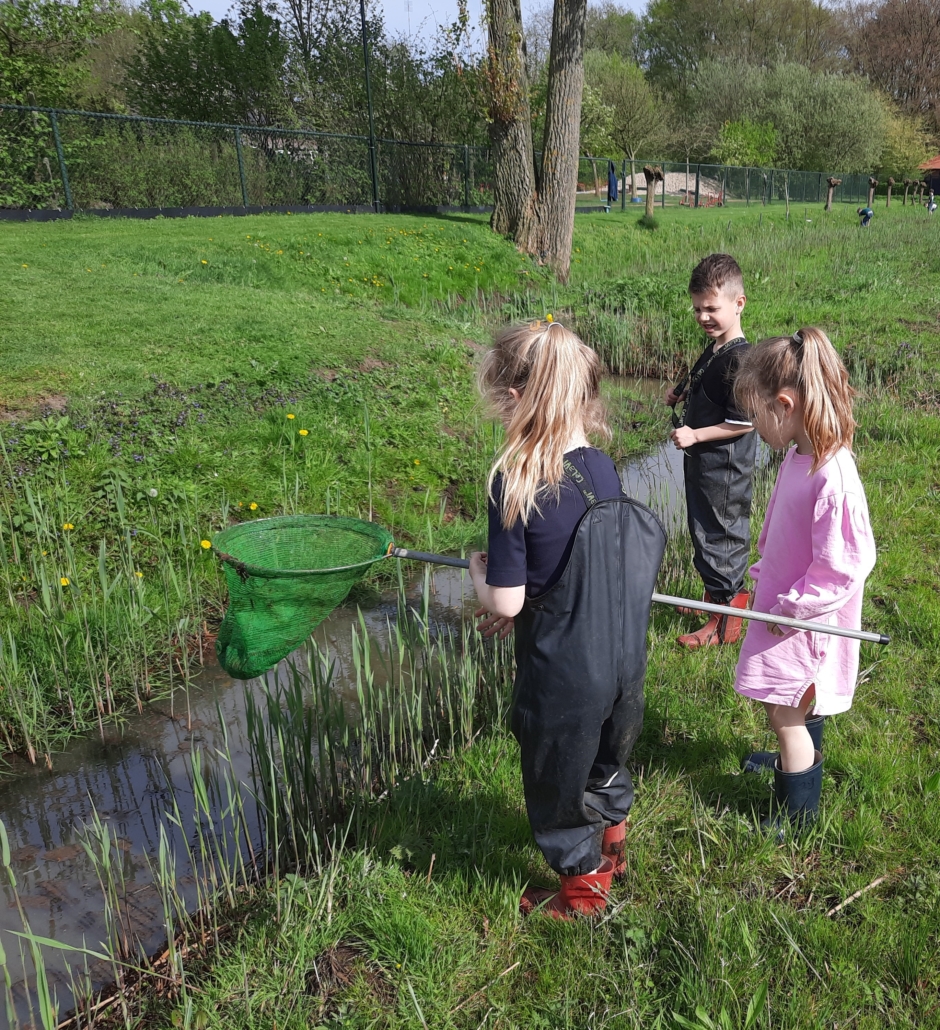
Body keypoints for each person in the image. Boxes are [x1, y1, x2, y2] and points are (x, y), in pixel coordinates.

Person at [469, 321, 665, 919]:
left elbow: (505, 602)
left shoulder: (515, 480)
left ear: (511, 399)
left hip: (564, 673)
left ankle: (582, 896)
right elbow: (583, 560)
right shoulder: (602, 466)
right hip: (623, 657)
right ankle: (614, 847)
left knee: (557, 778)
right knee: (605, 760)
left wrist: (478, 575)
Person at [732, 327, 877, 832]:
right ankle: (796, 755)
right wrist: (764, 573)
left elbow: (843, 565)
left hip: (799, 619)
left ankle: (796, 816)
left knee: (783, 710)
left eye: (757, 416)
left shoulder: (832, 477)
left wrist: (790, 611)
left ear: (785, 405)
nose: (755, 427)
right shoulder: (801, 456)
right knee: (795, 698)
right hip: (784, 607)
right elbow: (784, 530)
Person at [667, 253, 757, 648]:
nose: (703, 316)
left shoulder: (742, 360)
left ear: (739, 304)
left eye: (711, 309)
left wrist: (694, 435)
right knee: (703, 531)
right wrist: (680, 391)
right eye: (697, 309)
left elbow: (745, 422)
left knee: (721, 536)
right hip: (706, 465)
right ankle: (712, 598)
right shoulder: (720, 346)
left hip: (725, 470)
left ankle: (725, 624)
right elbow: (704, 375)